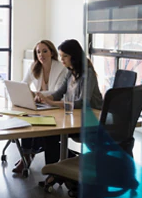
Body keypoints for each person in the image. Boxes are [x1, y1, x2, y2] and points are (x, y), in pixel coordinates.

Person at [31, 39, 103, 181]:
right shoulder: (70, 72)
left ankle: (60, 168)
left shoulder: (87, 74)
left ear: (73, 56)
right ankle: (54, 172)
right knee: (48, 134)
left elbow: (84, 102)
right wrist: (46, 98)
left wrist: (54, 103)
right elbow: (59, 93)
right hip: (73, 116)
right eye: (60, 55)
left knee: (49, 135)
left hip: (89, 121)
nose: (61, 59)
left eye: (64, 56)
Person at [12, 40, 69, 173]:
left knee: (39, 126)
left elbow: (57, 92)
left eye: (44, 51)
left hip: (55, 106)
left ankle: (28, 156)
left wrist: (37, 94)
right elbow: (23, 84)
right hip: (40, 105)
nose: (41, 55)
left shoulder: (60, 68)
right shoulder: (34, 67)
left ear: (51, 52)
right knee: (26, 120)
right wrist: (27, 93)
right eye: (38, 52)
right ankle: (26, 155)